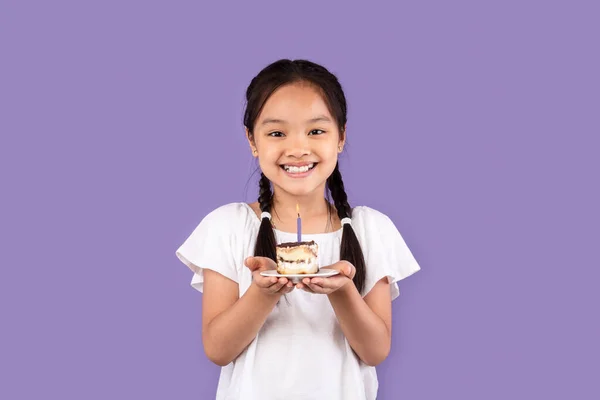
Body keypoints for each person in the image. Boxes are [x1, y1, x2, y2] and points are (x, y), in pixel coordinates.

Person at [175, 59, 421, 400]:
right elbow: (218, 349)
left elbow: (375, 351)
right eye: (276, 132)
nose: (298, 148)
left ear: (341, 136)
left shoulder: (371, 229)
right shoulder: (227, 227)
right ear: (252, 140)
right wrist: (263, 293)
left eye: (316, 130)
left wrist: (342, 291)